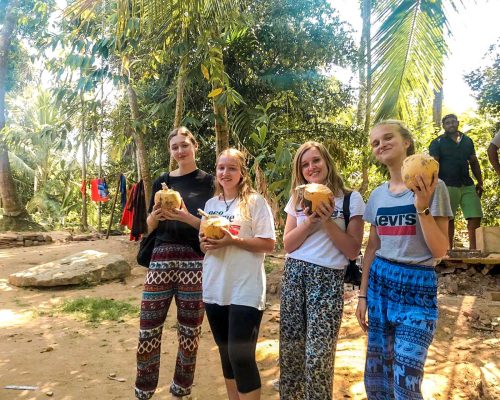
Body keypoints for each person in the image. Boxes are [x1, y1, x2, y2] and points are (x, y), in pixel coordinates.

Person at [356, 120, 452, 400]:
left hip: (417, 286)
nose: (381, 145)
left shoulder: (436, 186)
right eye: (375, 142)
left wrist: (422, 206)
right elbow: (372, 247)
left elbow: (439, 250)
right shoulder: (377, 195)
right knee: (378, 377)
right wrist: (362, 296)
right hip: (381, 285)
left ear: (406, 142)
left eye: (388, 138)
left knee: (406, 379)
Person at [280, 141, 365, 399]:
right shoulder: (298, 197)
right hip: (295, 275)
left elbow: (352, 251)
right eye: (304, 164)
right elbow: (288, 245)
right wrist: (309, 222)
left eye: (315, 160)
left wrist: (327, 221)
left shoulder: (350, 198)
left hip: (328, 278)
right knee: (292, 353)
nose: (311, 167)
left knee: (318, 356)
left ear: (327, 161)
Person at [135, 127, 214, 400]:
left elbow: (213, 225)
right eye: (175, 147)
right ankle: (144, 390)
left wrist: (186, 218)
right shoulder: (162, 181)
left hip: (195, 258)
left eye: (184, 145)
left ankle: (182, 389)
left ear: (195, 146)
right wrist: (156, 217)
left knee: (190, 330)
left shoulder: (210, 182)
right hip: (161, 255)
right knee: (149, 325)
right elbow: (148, 225)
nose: (180, 151)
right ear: (171, 151)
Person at [200, 148, 276, 400]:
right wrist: (206, 242)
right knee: (225, 353)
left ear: (242, 172)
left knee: (240, 356)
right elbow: (204, 245)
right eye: (221, 168)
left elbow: (268, 244)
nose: (225, 172)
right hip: (214, 287)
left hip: (245, 288)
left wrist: (233, 241)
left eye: (232, 168)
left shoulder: (255, 202)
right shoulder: (211, 205)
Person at [429, 113, 483, 249]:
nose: (451, 124)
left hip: (467, 184)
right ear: (443, 126)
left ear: (458, 123)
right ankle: (447, 250)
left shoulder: (467, 140)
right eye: (448, 123)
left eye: (453, 121)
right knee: (448, 218)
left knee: (475, 215)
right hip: (446, 184)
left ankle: (474, 250)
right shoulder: (437, 142)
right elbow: (433, 165)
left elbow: (474, 162)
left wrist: (480, 181)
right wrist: (432, 185)